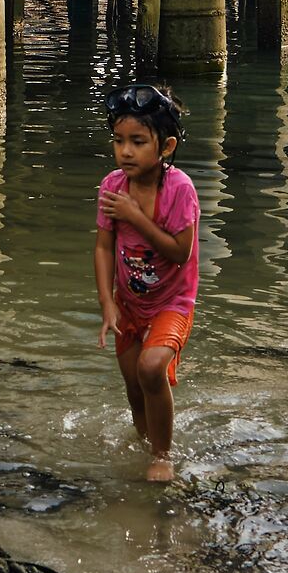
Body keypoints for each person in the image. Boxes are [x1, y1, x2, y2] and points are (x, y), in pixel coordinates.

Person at [93, 83, 198, 483]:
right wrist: (107, 302)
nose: (125, 151)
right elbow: (103, 246)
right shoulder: (112, 186)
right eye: (118, 140)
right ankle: (143, 444)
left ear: (166, 147)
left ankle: (162, 455)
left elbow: (181, 253)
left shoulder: (179, 190)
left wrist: (135, 217)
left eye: (137, 142)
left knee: (151, 368)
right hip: (129, 303)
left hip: (172, 302)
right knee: (135, 386)